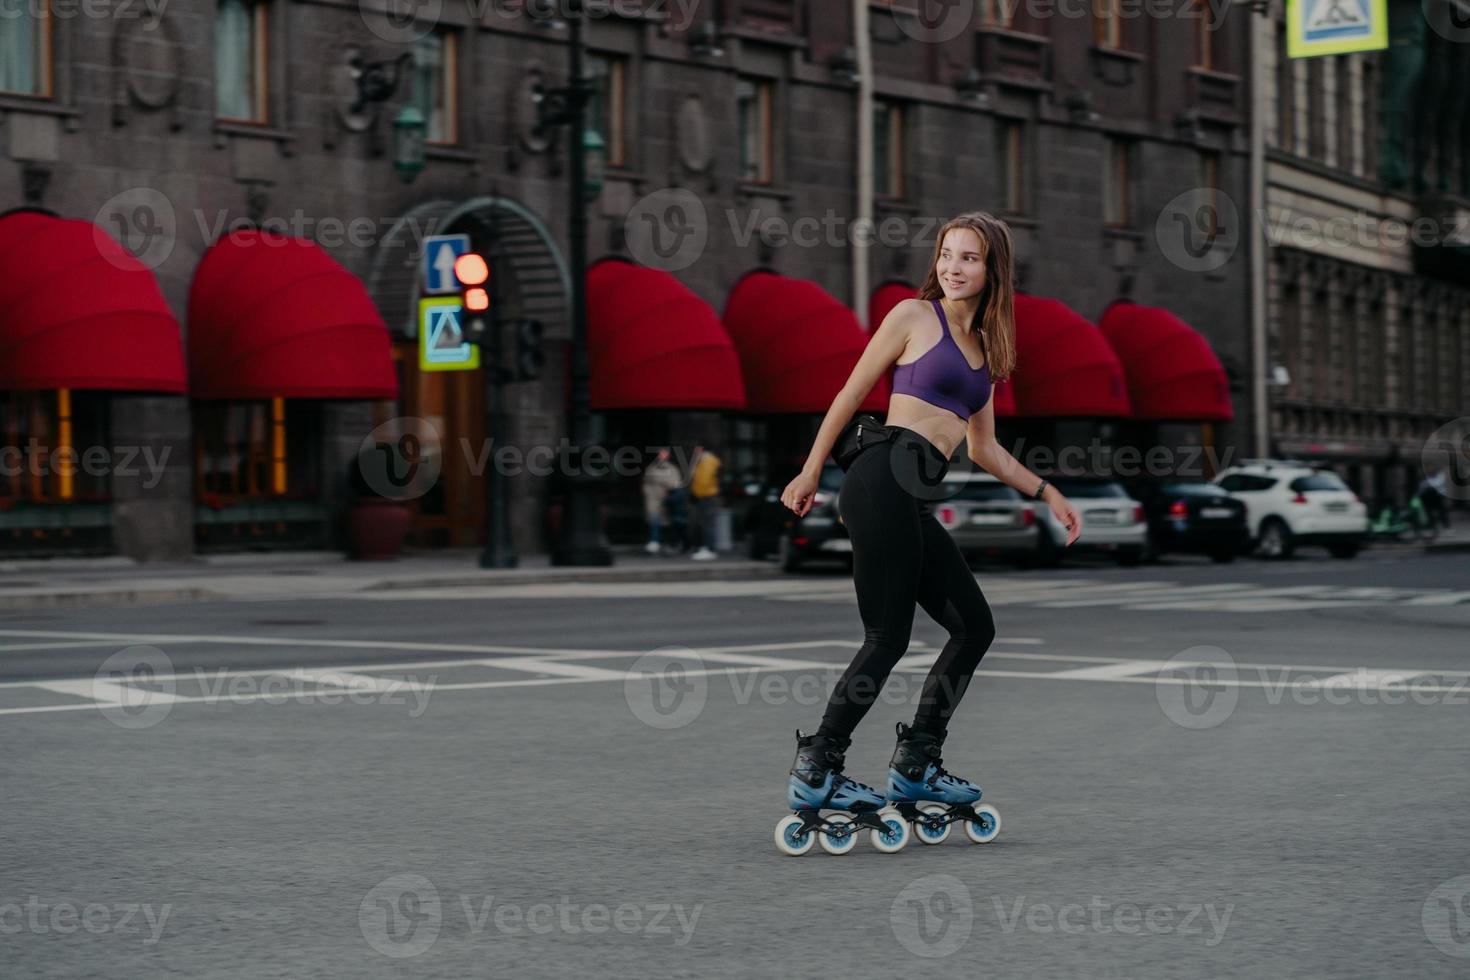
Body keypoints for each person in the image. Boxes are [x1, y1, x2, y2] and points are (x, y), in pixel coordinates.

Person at [777, 212, 1083, 836]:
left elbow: (985, 449)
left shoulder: (984, 354)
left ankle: (918, 760)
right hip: (881, 475)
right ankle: (820, 765)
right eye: (947, 253)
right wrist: (810, 472)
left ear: (992, 269)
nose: (952, 266)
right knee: (886, 637)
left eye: (968, 258)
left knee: (975, 627)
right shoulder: (914, 317)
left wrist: (1049, 492)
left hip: (912, 497)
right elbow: (847, 394)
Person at [641, 447, 683, 554]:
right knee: (654, 520)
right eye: (660, 454)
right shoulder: (652, 468)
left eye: (664, 454)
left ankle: (669, 543)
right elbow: (648, 480)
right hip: (653, 498)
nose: (662, 456)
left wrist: (662, 481)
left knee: (669, 522)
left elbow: (674, 483)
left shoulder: (672, 469)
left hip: (667, 500)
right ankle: (655, 541)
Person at [688, 443, 723, 561]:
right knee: (706, 522)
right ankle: (707, 548)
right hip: (707, 495)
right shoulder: (706, 460)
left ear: (701, 449)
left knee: (707, 523)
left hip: (707, 496)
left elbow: (703, 480)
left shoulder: (707, 461)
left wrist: (696, 493)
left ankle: (709, 549)